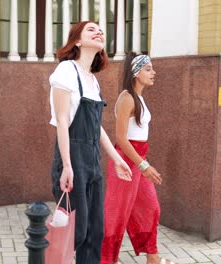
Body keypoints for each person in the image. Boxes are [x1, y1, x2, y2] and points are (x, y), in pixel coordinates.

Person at [49, 21, 132, 264]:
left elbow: (97, 128)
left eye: (101, 30)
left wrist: (117, 160)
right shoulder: (66, 70)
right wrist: (66, 165)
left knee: (95, 232)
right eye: (91, 30)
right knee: (77, 231)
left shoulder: (92, 80)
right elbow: (62, 121)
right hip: (72, 157)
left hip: (93, 161)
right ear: (77, 41)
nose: (99, 32)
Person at [100, 53, 174, 264]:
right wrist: (143, 165)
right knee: (116, 214)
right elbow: (121, 139)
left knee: (151, 208)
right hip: (126, 162)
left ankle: (153, 258)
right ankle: (106, 260)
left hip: (139, 161)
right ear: (136, 72)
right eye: (148, 69)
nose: (153, 72)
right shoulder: (126, 98)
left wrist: (143, 164)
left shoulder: (138, 98)